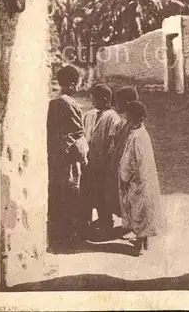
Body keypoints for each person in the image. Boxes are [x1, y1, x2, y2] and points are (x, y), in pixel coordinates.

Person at [47, 65, 88, 249]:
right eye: (78, 83)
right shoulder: (69, 104)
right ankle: (70, 237)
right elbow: (76, 134)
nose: (79, 86)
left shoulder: (54, 102)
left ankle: (60, 235)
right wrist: (84, 156)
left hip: (56, 156)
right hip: (68, 158)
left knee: (58, 194)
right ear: (72, 84)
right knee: (71, 194)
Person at [119, 101, 163, 256]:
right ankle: (144, 241)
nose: (128, 122)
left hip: (136, 180)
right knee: (143, 210)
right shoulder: (142, 134)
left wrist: (124, 178)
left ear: (138, 119)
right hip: (144, 178)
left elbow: (130, 161)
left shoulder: (136, 137)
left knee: (136, 210)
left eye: (130, 120)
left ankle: (138, 245)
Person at [81, 83, 120, 236]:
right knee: (89, 193)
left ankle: (106, 223)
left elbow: (112, 143)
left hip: (103, 165)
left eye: (94, 100)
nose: (92, 103)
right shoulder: (90, 115)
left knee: (103, 195)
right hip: (89, 162)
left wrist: (108, 163)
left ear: (105, 100)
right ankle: (87, 223)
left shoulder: (113, 118)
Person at [106, 86, 139, 218]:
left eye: (118, 102)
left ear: (128, 103)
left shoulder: (134, 125)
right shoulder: (121, 123)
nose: (115, 105)